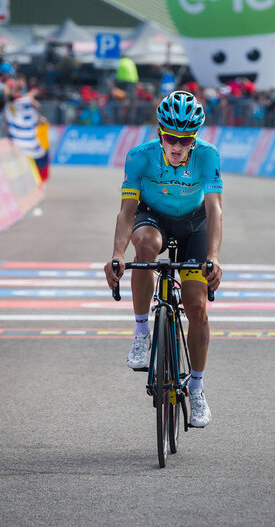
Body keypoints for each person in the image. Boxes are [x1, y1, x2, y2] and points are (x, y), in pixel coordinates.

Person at [104, 90, 223, 427]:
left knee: (196, 305)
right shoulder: (139, 157)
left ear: (194, 138)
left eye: (185, 140)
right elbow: (127, 212)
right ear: (159, 132)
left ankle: (196, 388)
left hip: (194, 224)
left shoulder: (208, 156)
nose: (177, 146)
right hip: (152, 217)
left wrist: (213, 256)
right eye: (170, 137)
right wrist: (116, 254)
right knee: (144, 248)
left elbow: (214, 210)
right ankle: (142, 333)